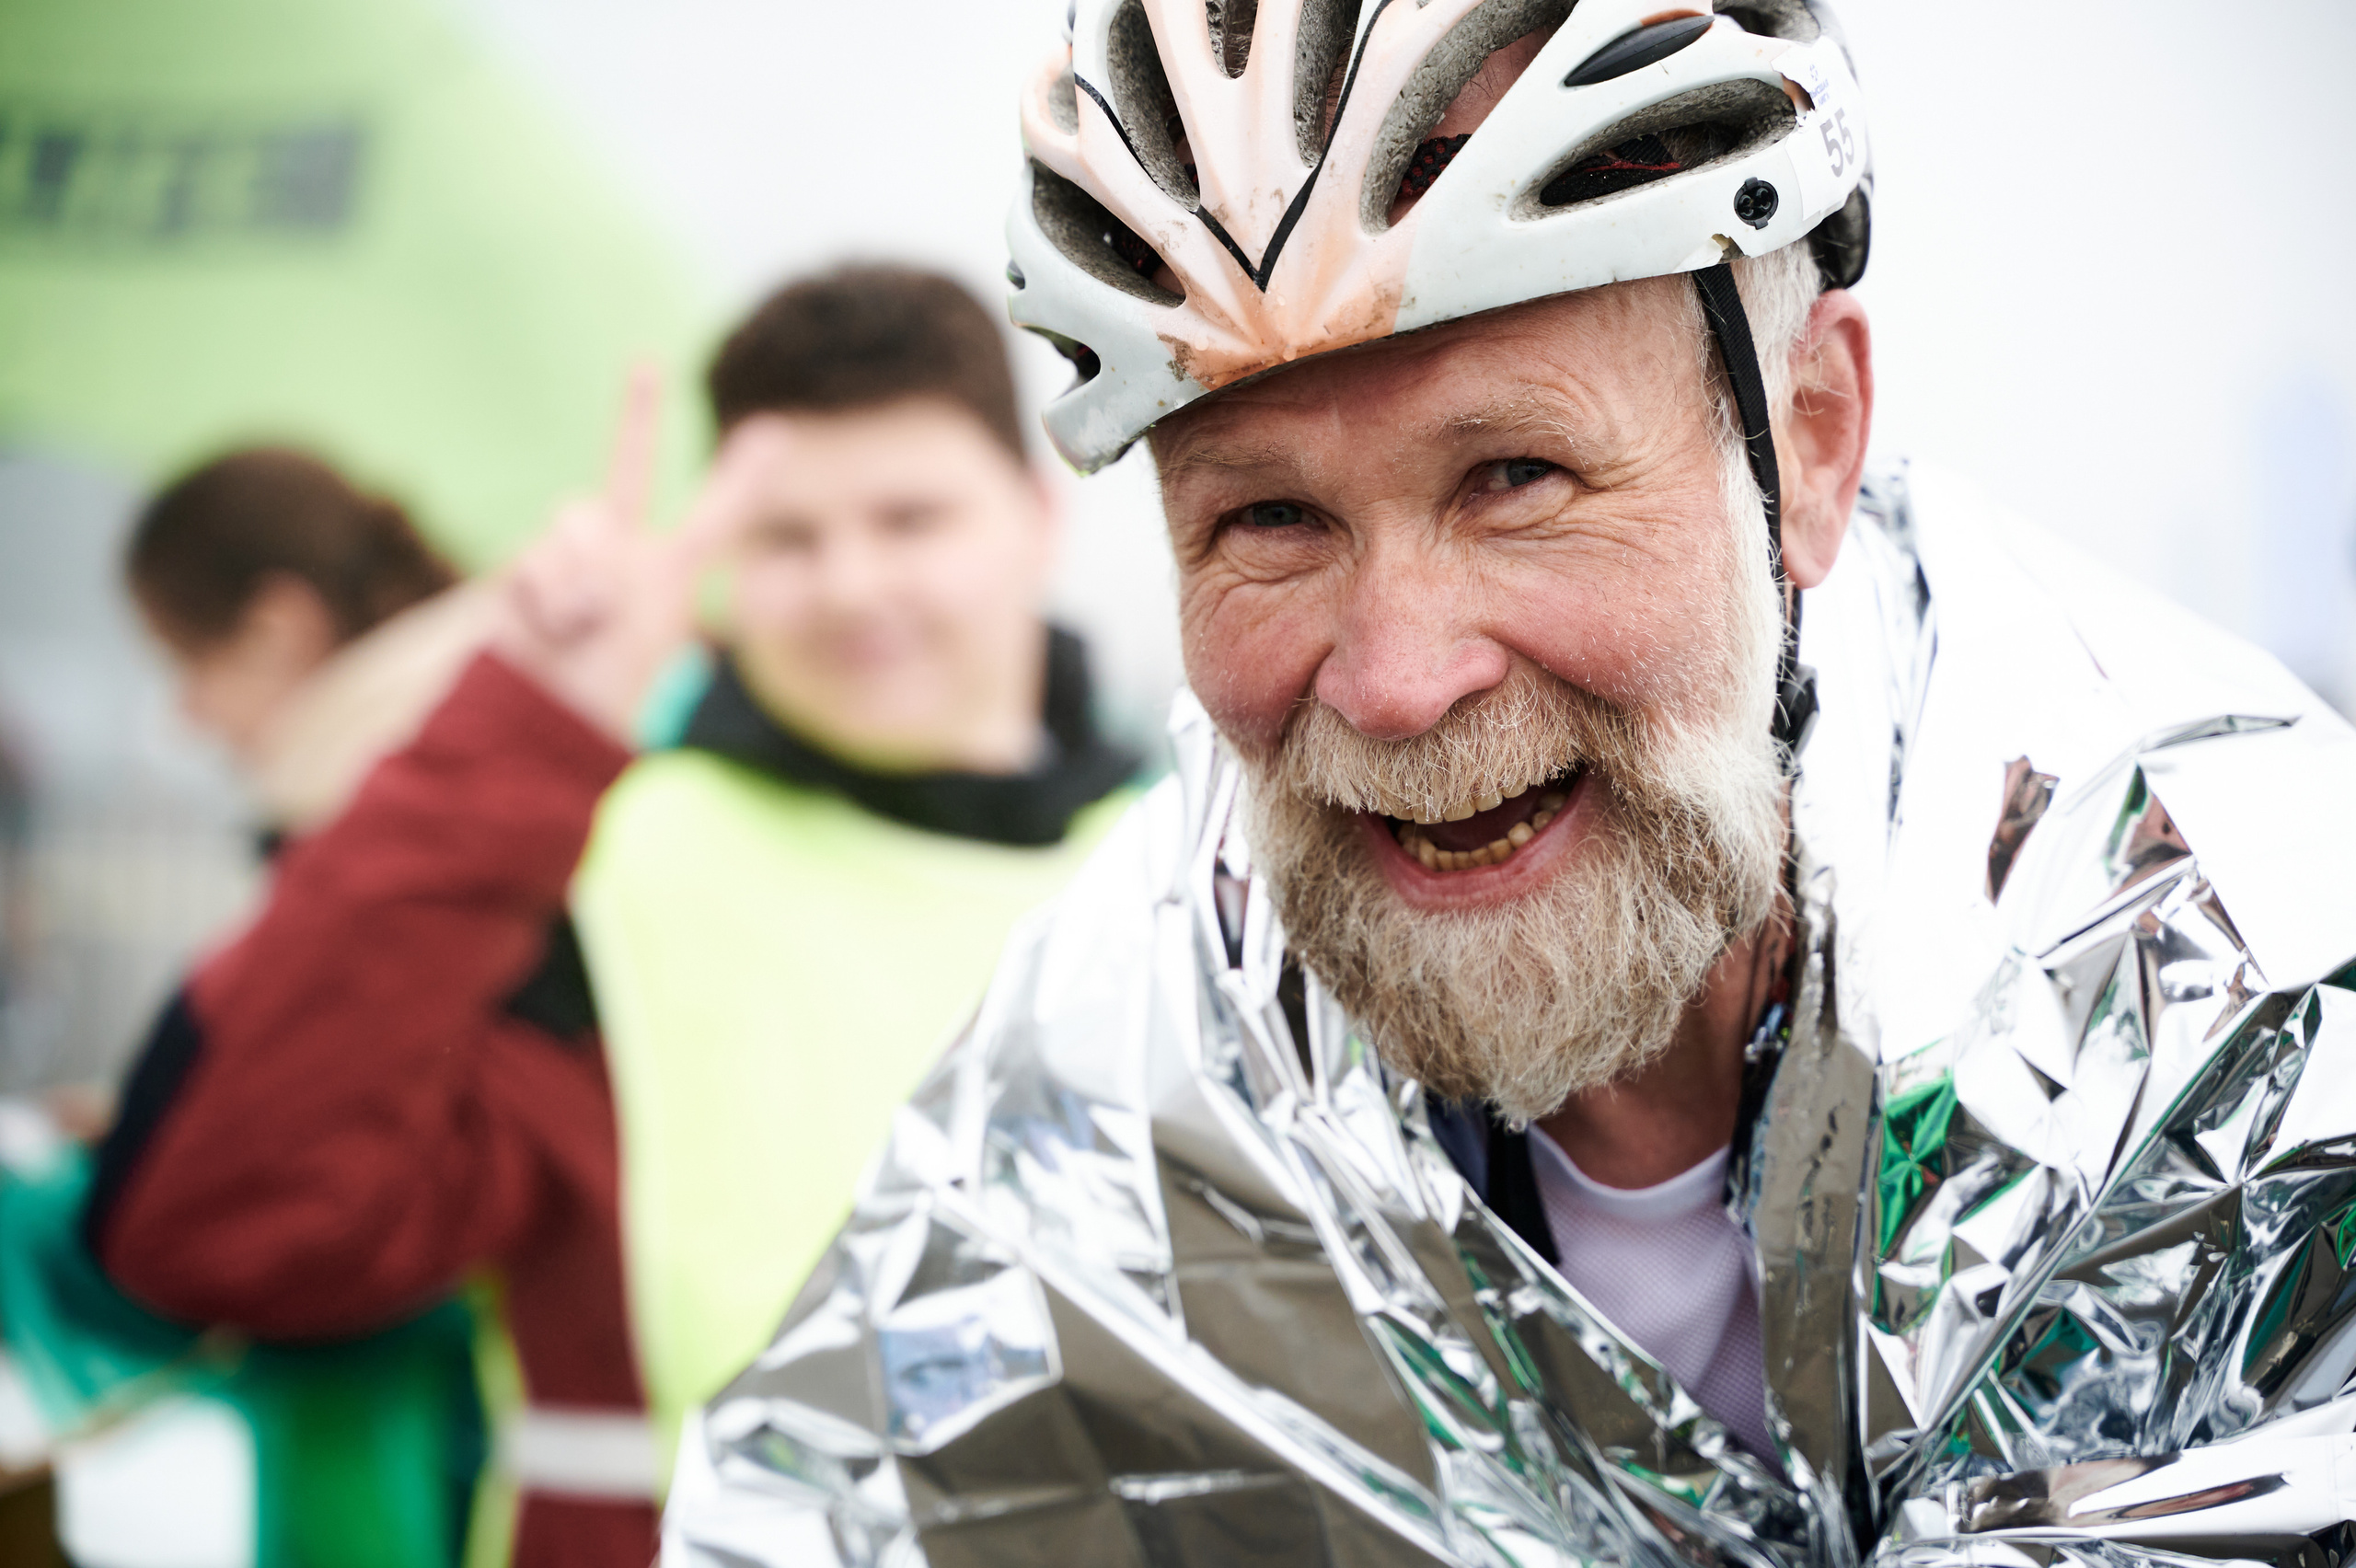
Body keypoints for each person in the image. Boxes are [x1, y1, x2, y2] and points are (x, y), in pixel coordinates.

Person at [662, 5, 2356, 1566]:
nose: (1399, 680)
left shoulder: (2260, 965)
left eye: (1516, 475)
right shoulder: (1136, 1023)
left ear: (1813, 439)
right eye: (1268, 520)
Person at [569, 264, 1139, 1466]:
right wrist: (521, 734)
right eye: (785, 536)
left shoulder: (1195, 867)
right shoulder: (602, 846)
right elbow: (209, 1220)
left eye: (909, 521)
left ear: (1041, 516)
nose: (851, 585)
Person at [93, 443, 664, 1567]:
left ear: (278, 625)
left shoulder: (439, 836)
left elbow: (255, 1216)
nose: (187, 718)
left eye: (184, 661)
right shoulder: (481, 793)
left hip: (476, 1474)